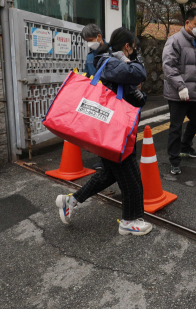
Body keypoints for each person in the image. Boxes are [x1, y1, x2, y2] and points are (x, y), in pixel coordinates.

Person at [55, 27, 152, 236]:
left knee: (109, 175)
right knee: (131, 177)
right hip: (111, 131)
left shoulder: (112, 61)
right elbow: (139, 72)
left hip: (115, 128)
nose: (134, 53)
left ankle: (71, 200)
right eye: (133, 48)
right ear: (127, 47)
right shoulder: (109, 62)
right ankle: (129, 221)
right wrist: (133, 61)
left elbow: (130, 92)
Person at [162, 8, 196, 176]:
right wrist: (180, 86)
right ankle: (174, 160)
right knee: (176, 128)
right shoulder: (174, 41)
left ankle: (185, 146)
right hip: (178, 94)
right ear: (187, 23)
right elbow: (168, 66)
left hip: (193, 93)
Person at [82, 24, 108, 171]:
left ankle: (111, 160)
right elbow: (86, 75)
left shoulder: (112, 51)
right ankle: (103, 160)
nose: (89, 43)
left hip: (109, 96)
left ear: (99, 36)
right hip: (96, 97)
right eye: (86, 41)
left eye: (90, 39)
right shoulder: (90, 56)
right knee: (99, 130)